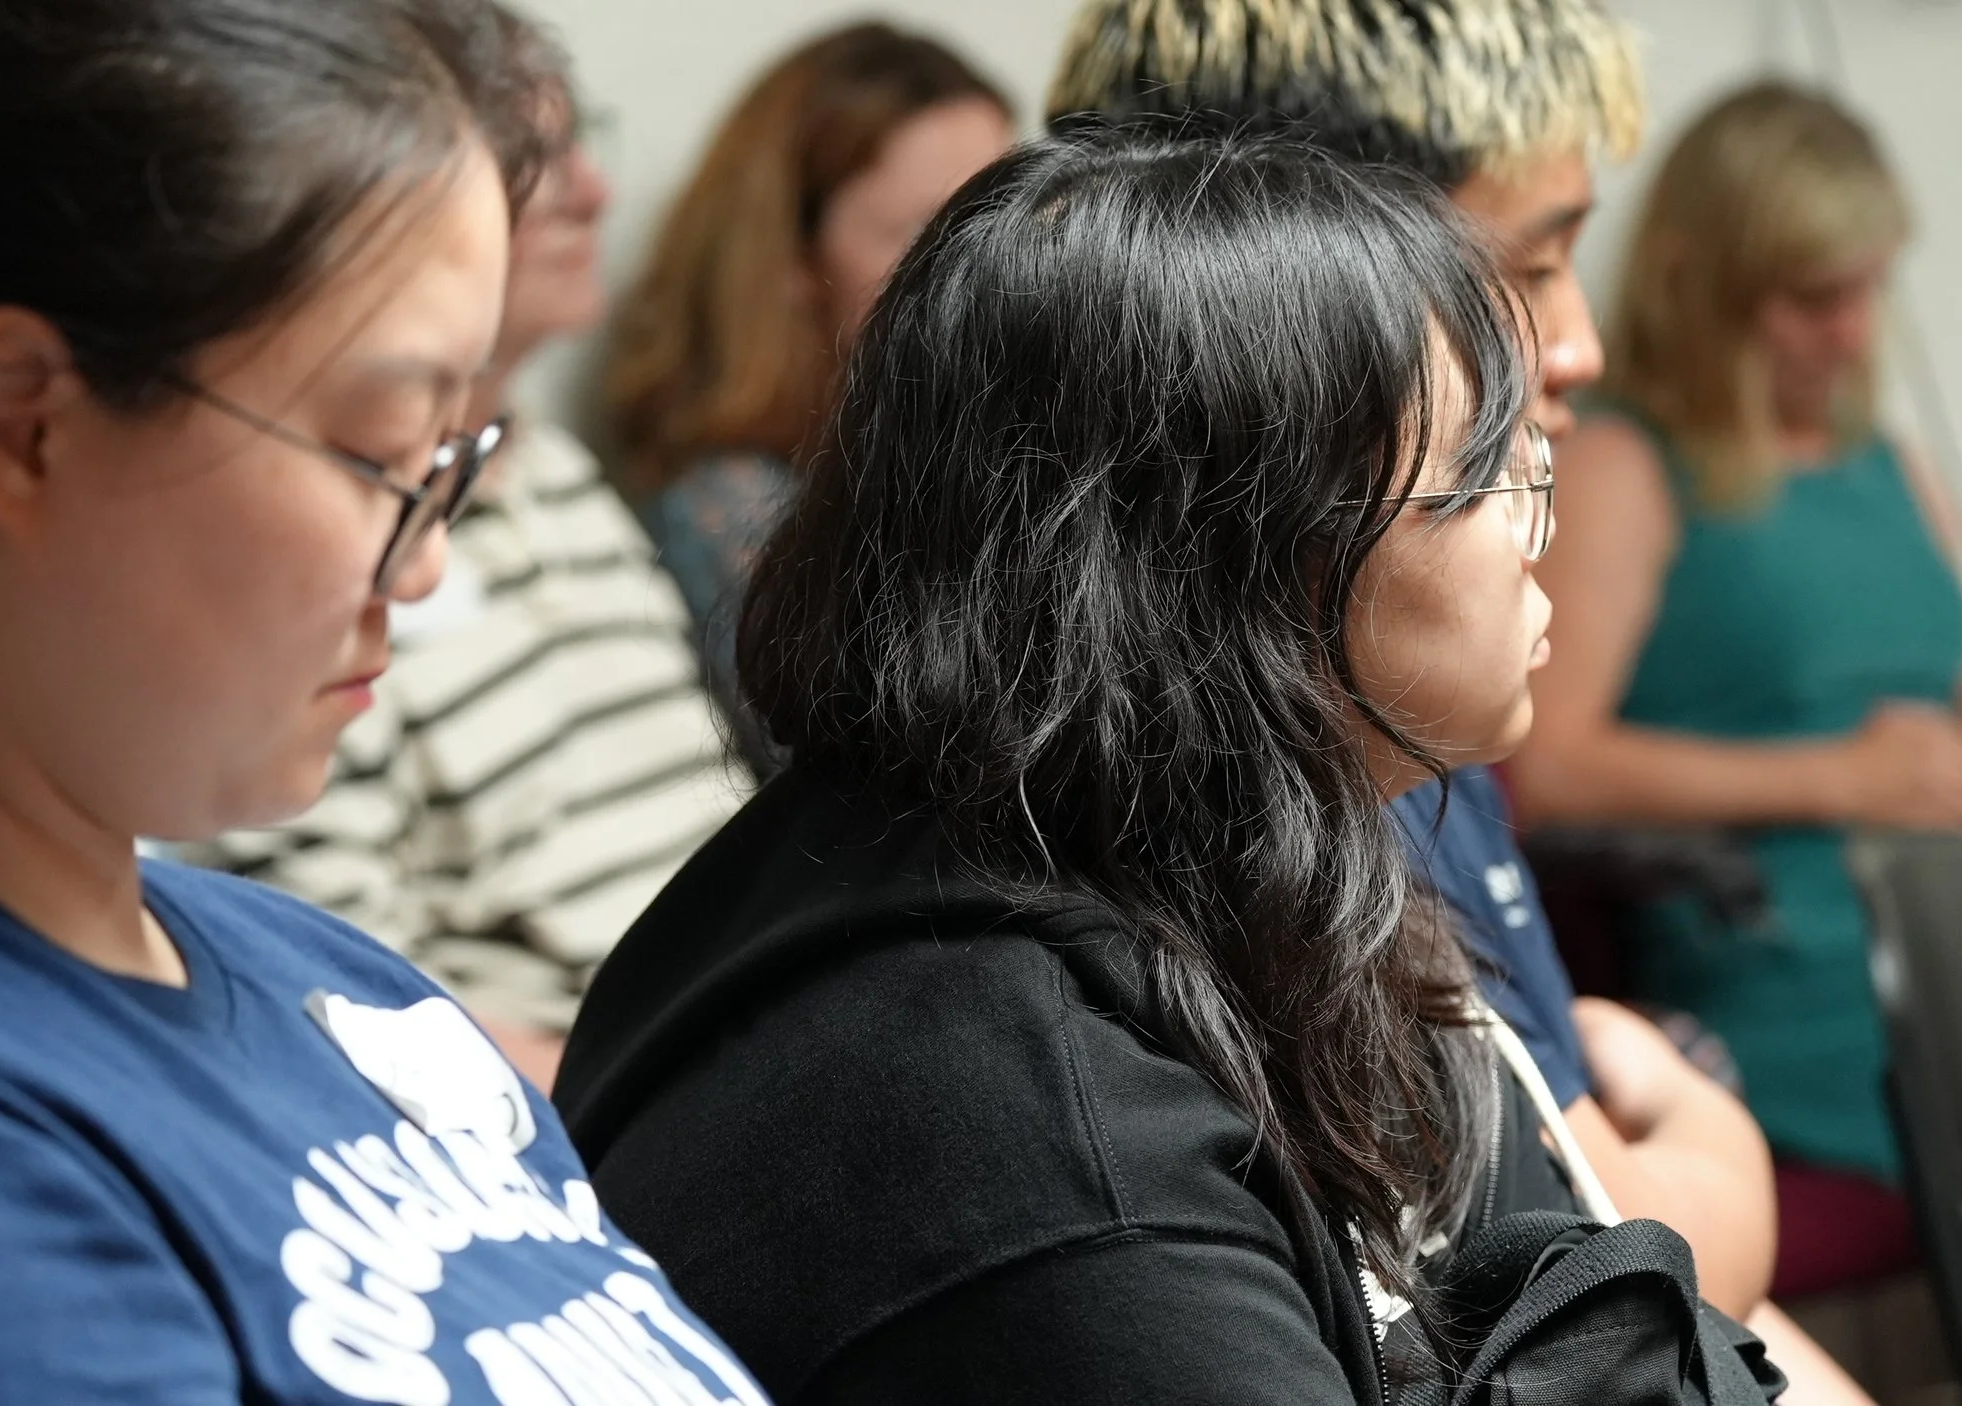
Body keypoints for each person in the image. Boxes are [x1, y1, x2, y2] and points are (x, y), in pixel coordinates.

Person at [556, 124, 1777, 1404]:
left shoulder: (1207, 866)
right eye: (1485, 475)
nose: (1537, 530)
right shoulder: (1029, 1124)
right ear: (1229, 568)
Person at [0, 1, 763, 1401]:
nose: (424, 569)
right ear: (18, 421)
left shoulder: (332, 980)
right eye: (382, 452)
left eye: (458, 456)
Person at [1044, 9, 1872, 1400]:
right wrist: (1719, 1159)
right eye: (1529, 265)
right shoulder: (1312, 745)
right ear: (1304, 290)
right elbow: (1585, 1274)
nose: (1582, 344)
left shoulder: (1423, 693)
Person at [1508, 81, 1962, 1185]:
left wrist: (1959, 776)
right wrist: (1840, 778)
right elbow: (1548, 766)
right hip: (1785, 976)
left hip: (1954, 958)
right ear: (1701, 286)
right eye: (1811, 297)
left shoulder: (1891, 467)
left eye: (1868, 290)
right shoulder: (1626, 465)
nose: (1850, 331)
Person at [194, 38, 744, 1092]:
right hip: (596, 1089)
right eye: (532, 164)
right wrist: (654, 1094)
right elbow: (327, 986)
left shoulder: (557, 471)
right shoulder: (320, 546)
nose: (593, 192)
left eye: (585, 142)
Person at [601, 22, 1014, 763]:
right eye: (925, 228)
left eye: (1012, 213)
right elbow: (885, 782)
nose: (994, 264)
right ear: (791, 259)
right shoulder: (727, 504)